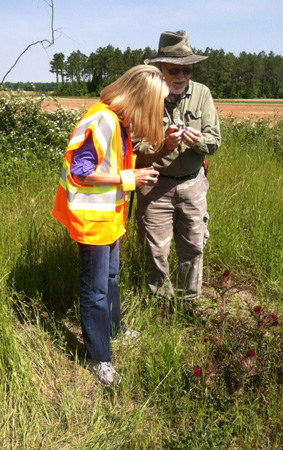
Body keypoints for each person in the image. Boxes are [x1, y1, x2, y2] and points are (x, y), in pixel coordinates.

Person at [52, 65, 168, 386]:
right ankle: (99, 357)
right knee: (96, 291)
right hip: (92, 220)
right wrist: (130, 178)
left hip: (109, 218)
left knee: (111, 279)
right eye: (154, 104)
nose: (154, 112)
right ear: (139, 97)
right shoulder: (103, 119)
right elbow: (80, 171)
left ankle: (116, 330)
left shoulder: (120, 122)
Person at [134, 31, 221, 308]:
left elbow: (214, 141)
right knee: (155, 250)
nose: (181, 75)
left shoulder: (202, 94)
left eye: (187, 69)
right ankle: (160, 307)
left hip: (193, 184)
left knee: (193, 247)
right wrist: (163, 145)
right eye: (174, 69)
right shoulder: (145, 96)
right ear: (159, 69)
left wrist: (199, 142)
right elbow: (135, 149)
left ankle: (188, 305)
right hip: (154, 185)